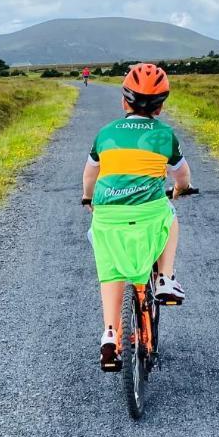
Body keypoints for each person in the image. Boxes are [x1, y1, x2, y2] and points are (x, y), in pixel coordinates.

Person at [81, 62, 192, 371]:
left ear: (124, 100)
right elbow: (182, 175)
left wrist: (89, 199)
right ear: (161, 106)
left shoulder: (105, 134)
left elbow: (90, 173)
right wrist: (181, 189)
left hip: (108, 214)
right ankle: (166, 279)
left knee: (111, 267)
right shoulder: (165, 135)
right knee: (169, 215)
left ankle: (111, 334)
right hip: (149, 210)